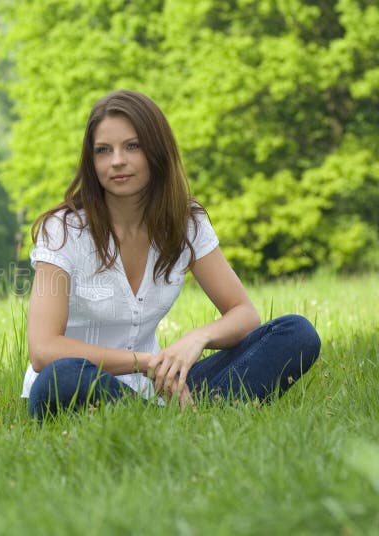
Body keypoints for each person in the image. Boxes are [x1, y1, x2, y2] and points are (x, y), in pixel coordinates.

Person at [23, 89, 321, 419]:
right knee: (62, 378)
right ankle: (175, 419)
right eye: (103, 151)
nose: (117, 160)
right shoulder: (63, 231)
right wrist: (148, 363)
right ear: (92, 163)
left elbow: (244, 314)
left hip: (159, 387)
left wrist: (197, 339)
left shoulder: (185, 223)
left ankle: (161, 417)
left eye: (132, 146)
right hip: (81, 385)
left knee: (297, 333)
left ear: (157, 151)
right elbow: (43, 349)